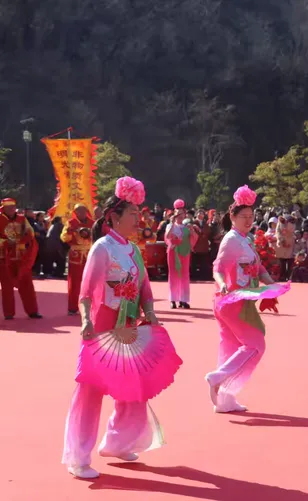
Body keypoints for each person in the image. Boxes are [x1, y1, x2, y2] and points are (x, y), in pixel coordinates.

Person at [62, 177, 180, 479]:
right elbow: (86, 292)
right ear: (115, 217)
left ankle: (118, 442)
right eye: (132, 214)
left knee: (132, 387)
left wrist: (150, 313)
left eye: (138, 214)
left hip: (128, 326)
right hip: (103, 327)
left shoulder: (134, 250)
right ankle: (78, 457)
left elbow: (145, 289)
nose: (138, 219)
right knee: (91, 391)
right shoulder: (102, 248)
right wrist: (86, 320)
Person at [205, 185, 277, 413]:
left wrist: (271, 284)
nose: (248, 220)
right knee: (256, 345)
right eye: (243, 216)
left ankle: (225, 400)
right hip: (231, 301)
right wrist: (222, 284)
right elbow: (218, 268)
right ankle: (219, 377)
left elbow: (259, 268)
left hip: (241, 301)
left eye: (251, 216)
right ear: (233, 217)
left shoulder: (246, 239)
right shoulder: (231, 240)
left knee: (231, 348)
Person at [0, 198, 41, 320]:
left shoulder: (22, 219)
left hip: (21, 257)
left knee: (27, 284)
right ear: (3, 208)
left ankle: (32, 311)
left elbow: (30, 233)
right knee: (7, 287)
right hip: (4, 257)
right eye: (8, 208)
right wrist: (6, 242)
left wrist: (23, 240)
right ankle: (9, 313)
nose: (11, 209)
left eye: (13, 207)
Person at [61, 204, 94, 315]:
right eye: (79, 211)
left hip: (89, 255)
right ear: (75, 212)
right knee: (74, 282)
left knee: (91, 282)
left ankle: (91, 307)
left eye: (83, 210)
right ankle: (72, 308)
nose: (81, 213)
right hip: (76, 255)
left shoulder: (92, 223)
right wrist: (69, 232)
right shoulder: (71, 223)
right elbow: (64, 238)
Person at [166, 199, 198, 308]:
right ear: (174, 215)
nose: (180, 216)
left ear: (185, 215)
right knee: (173, 275)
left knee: (184, 275)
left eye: (182, 214)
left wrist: (192, 231)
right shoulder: (170, 226)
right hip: (173, 252)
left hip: (184, 252)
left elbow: (195, 238)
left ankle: (183, 300)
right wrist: (171, 223)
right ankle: (173, 300)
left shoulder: (187, 227)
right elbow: (167, 236)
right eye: (178, 214)